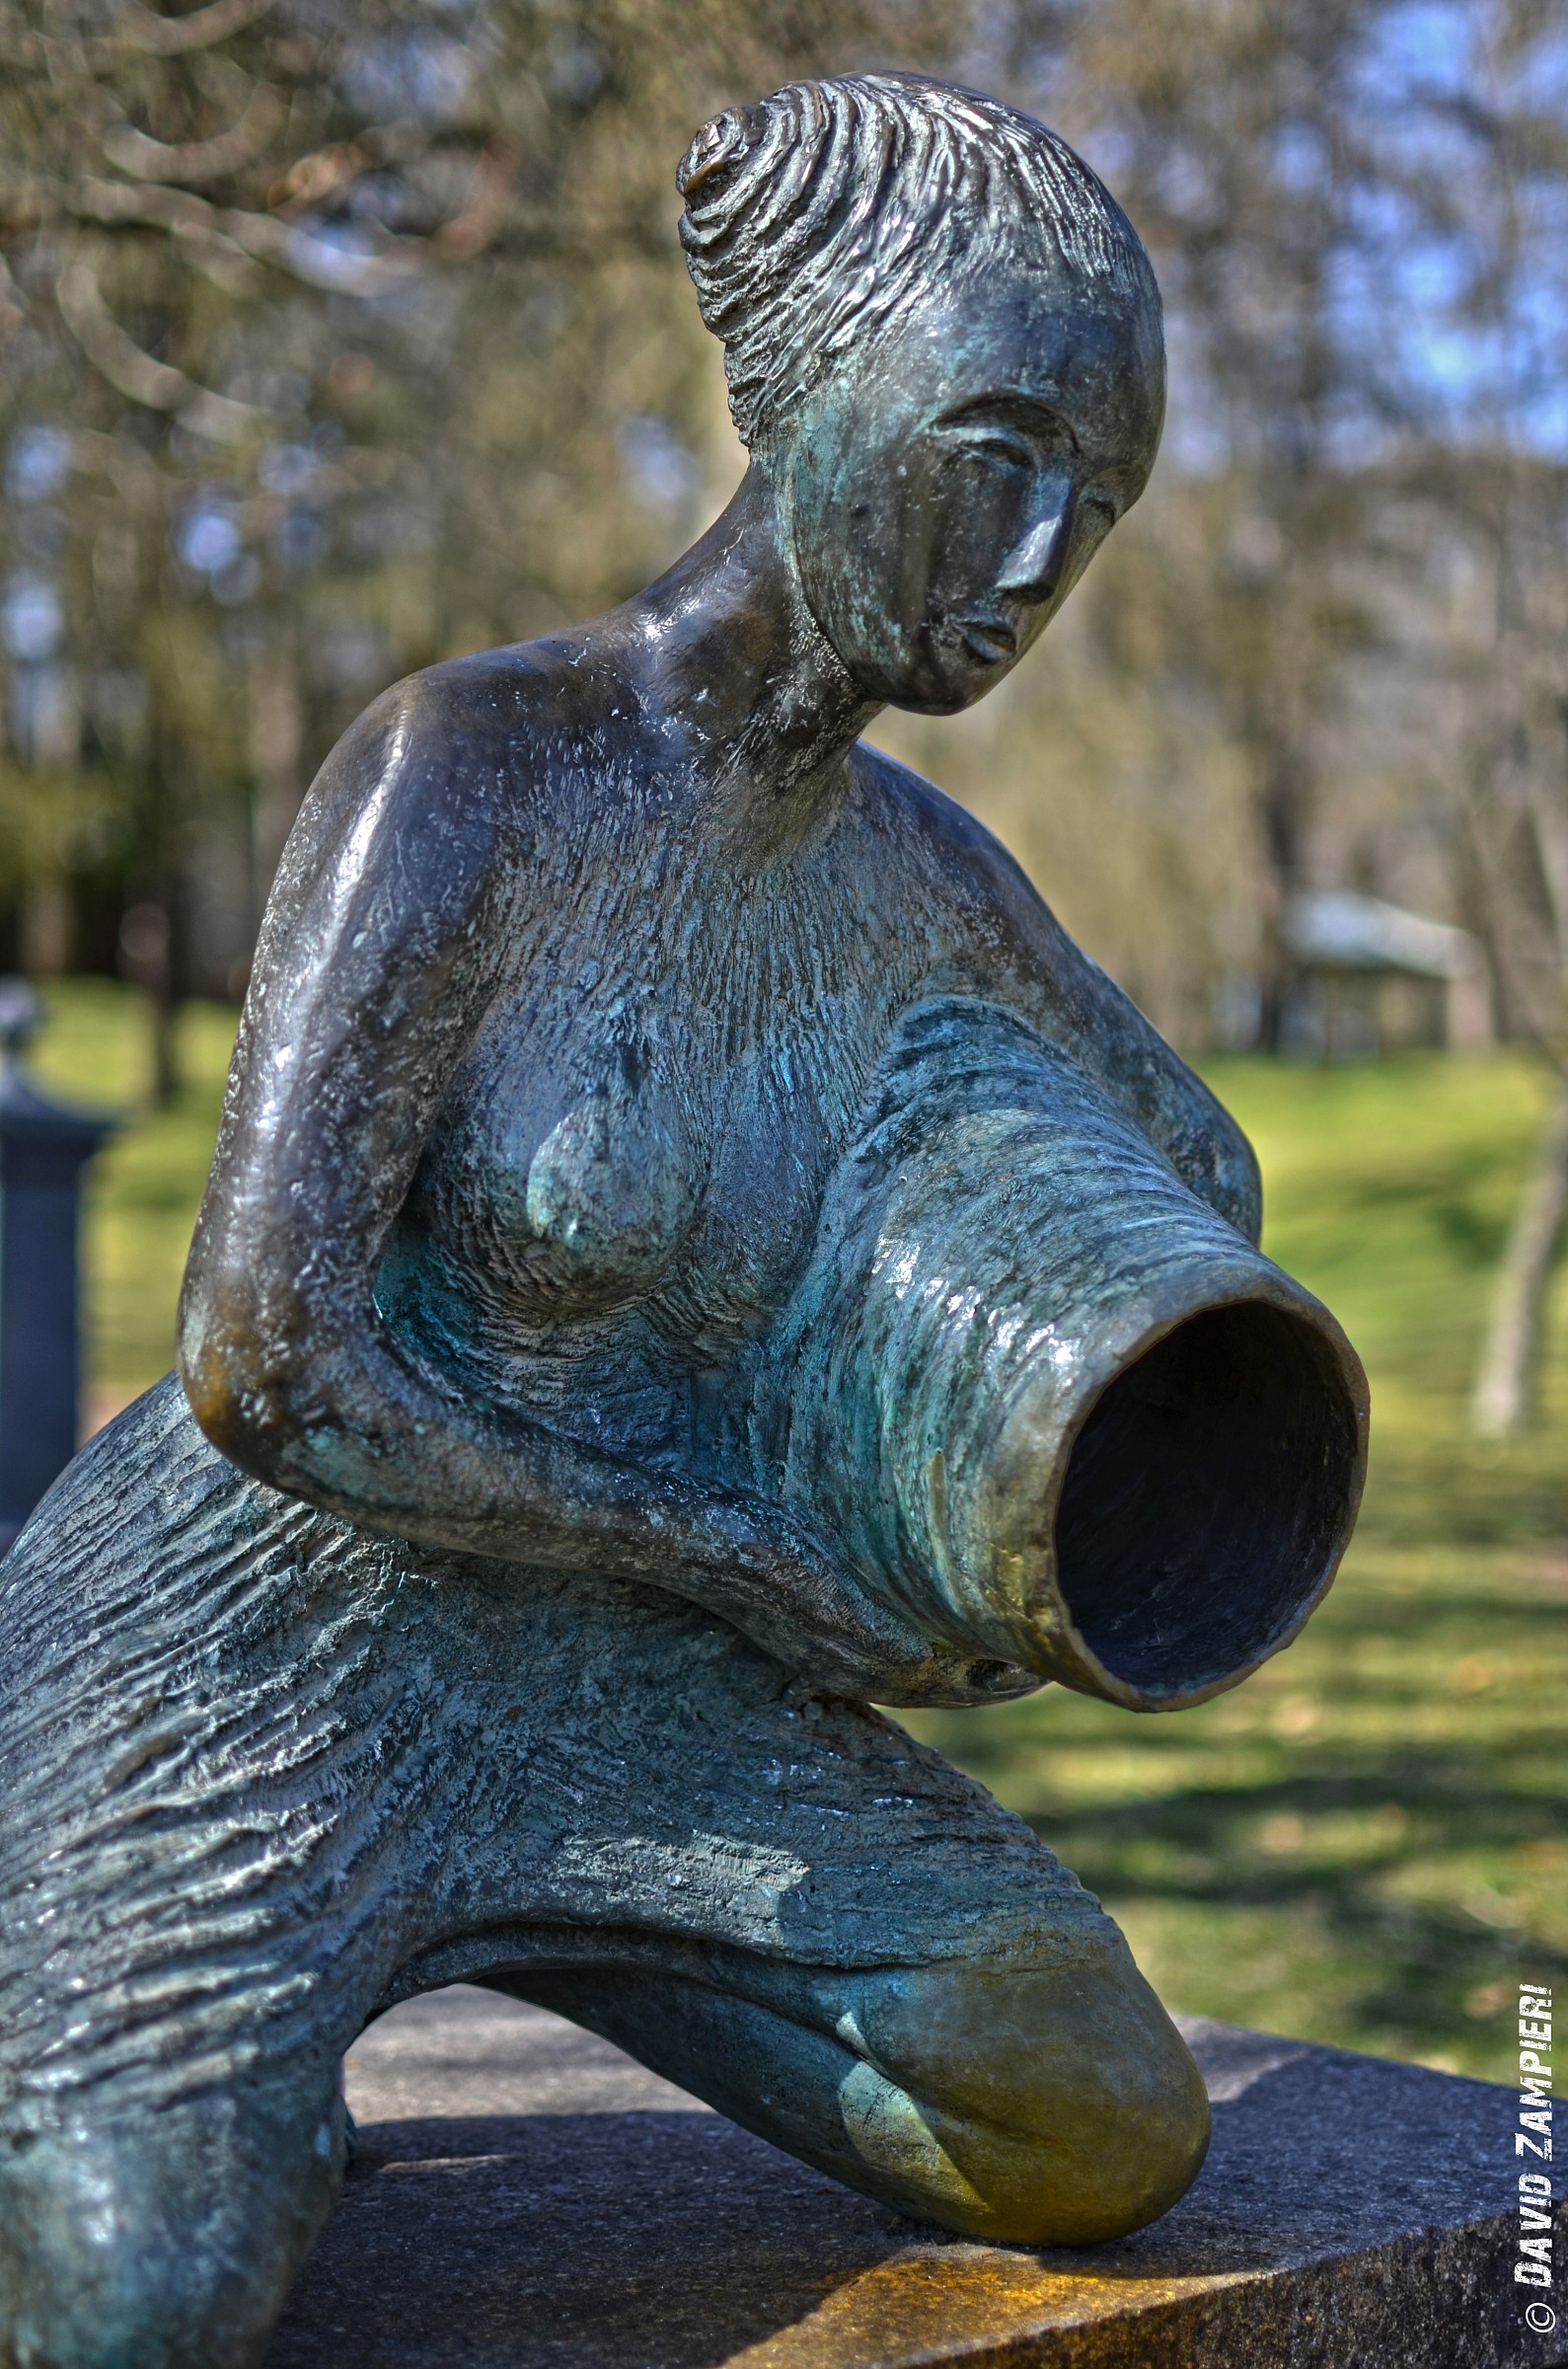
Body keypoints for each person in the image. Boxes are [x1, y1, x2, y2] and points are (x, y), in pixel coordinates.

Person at [0, 74, 1363, 2369]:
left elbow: (1193, 1170)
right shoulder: (479, 776)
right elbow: (265, 1362)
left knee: (1097, 2130)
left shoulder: (925, 881)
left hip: (618, 1692)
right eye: (996, 452)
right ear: (815, 391)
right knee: (140, 2298)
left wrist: (955, 1444)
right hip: (265, 1654)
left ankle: (522, 1926)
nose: (1038, 564)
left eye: (1097, 504)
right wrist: (746, 1554)